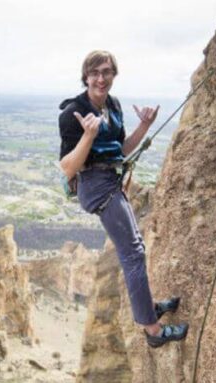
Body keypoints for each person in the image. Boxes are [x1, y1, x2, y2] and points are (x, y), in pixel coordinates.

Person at [58, 50, 188, 348]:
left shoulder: (112, 106)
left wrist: (144, 126)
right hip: (95, 185)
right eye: (95, 73)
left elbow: (122, 149)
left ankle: (146, 309)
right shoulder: (72, 113)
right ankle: (153, 331)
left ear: (114, 75)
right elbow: (68, 167)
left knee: (136, 250)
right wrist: (87, 136)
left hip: (111, 181)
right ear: (86, 76)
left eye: (107, 72)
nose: (101, 78)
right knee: (133, 253)